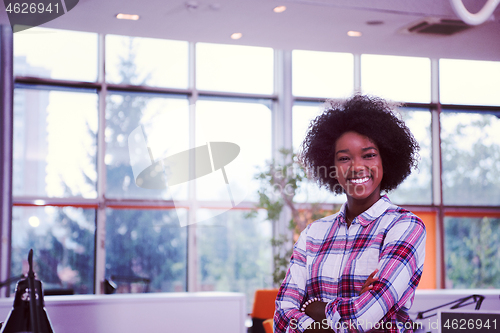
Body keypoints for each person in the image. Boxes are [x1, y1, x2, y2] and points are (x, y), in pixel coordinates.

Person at [273, 95, 426, 333]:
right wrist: (353, 312)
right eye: (344, 158)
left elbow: (363, 317)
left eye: (369, 155)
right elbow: (282, 317)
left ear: (385, 159)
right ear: (332, 167)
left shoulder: (405, 227)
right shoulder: (313, 234)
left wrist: (316, 308)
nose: (356, 167)